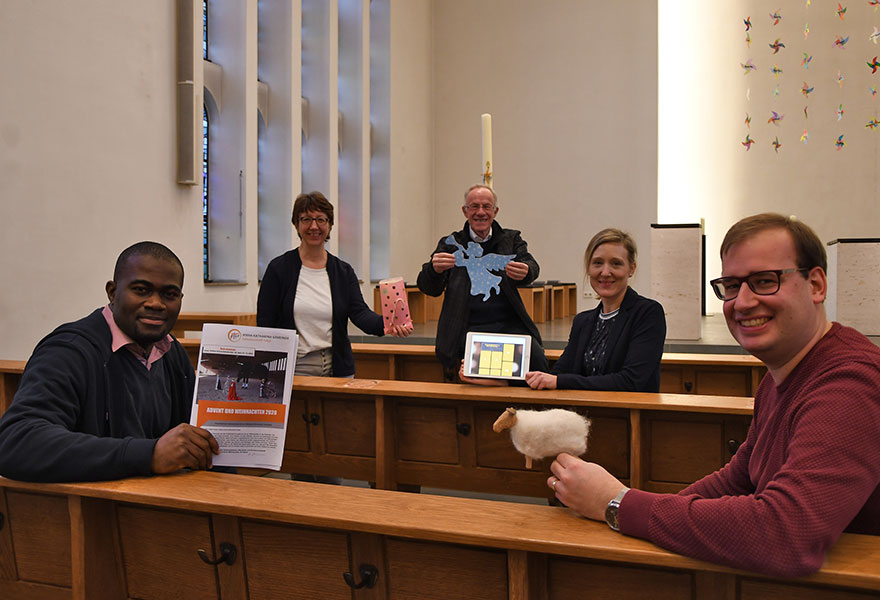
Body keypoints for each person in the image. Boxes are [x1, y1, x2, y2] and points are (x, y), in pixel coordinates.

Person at [546, 213, 880, 577]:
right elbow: (735, 479)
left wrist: (618, 504)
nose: (744, 302)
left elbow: (786, 533)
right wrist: (639, 511)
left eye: (765, 281)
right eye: (732, 286)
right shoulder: (780, 374)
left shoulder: (850, 381)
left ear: (816, 284)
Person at [0, 242, 220, 483]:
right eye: (141, 290)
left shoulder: (169, 351)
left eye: (170, 294)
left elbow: (198, 436)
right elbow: (16, 441)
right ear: (113, 292)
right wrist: (149, 454)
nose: (156, 303)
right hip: (96, 509)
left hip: (162, 503)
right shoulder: (70, 352)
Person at [257, 191, 411, 378]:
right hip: (293, 371)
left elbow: (360, 313)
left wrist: (387, 324)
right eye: (306, 219)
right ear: (296, 225)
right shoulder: (279, 269)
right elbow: (266, 324)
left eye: (321, 219)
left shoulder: (343, 272)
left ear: (330, 225)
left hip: (338, 369)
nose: (314, 226)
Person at [417, 184, 548, 381]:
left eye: (487, 207)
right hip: (466, 327)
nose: (480, 212)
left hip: (509, 326)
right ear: (465, 211)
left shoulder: (511, 238)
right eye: (474, 206)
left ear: (495, 211)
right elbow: (428, 287)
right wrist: (433, 270)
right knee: (470, 373)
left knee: (537, 361)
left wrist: (527, 271)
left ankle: (521, 407)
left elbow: (531, 265)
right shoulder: (451, 243)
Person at [524, 229, 665, 391]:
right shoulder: (583, 321)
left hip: (627, 414)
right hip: (581, 413)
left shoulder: (648, 313)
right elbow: (560, 372)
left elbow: (631, 381)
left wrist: (560, 382)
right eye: (598, 263)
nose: (605, 272)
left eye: (616, 263)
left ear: (631, 268)